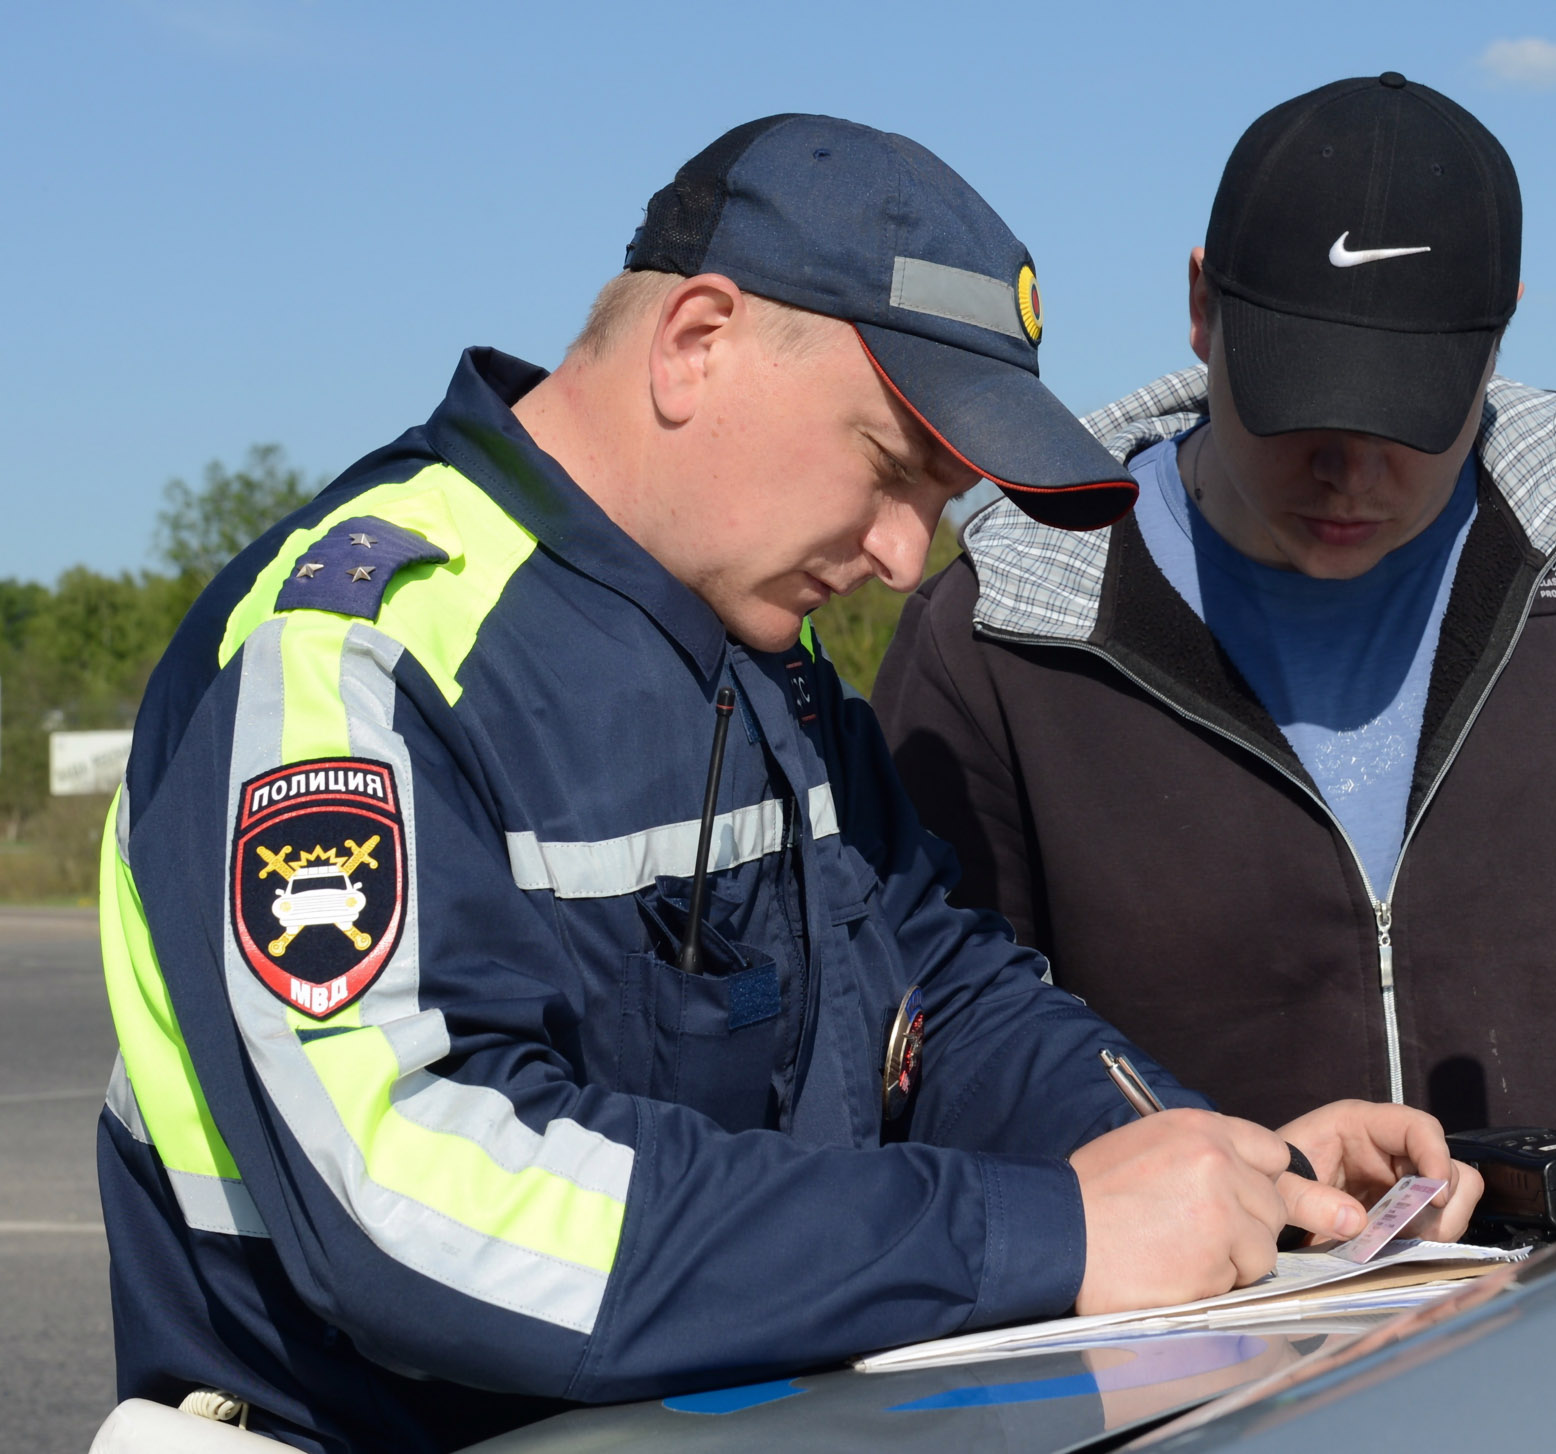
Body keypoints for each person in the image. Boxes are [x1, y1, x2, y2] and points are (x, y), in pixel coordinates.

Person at [96, 115, 1480, 1453]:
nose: (900, 554)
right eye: (889, 470)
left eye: (936, 502)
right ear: (697, 343)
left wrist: (1215, 1167)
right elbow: (411, 1193)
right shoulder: (352, 653)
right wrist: (1047, 1231)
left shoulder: (763, 653)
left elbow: (938, 990)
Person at [874, 76, 1556, 1171]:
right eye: (1302, 403)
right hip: (1204, 1333)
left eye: (1409, 414)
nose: (1351, 469)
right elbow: (937, 1049)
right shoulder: (1000, 636)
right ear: (1202, 307)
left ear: (1498, 332)